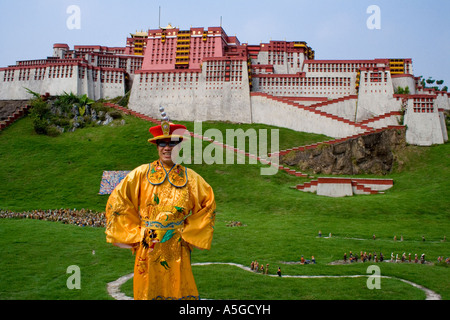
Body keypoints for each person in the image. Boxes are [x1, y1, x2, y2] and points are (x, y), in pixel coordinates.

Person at [105, 110, 216, 300]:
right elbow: (117, 201)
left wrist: (189, 234)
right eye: (162, 143)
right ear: (157, 146)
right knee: (149, 291)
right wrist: (137, 233)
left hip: (177, 246)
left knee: (179, 290)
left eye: (172, 143)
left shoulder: (191, 179)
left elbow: (209, 204)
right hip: (149, 246)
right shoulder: (140, 175)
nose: (167, 148)